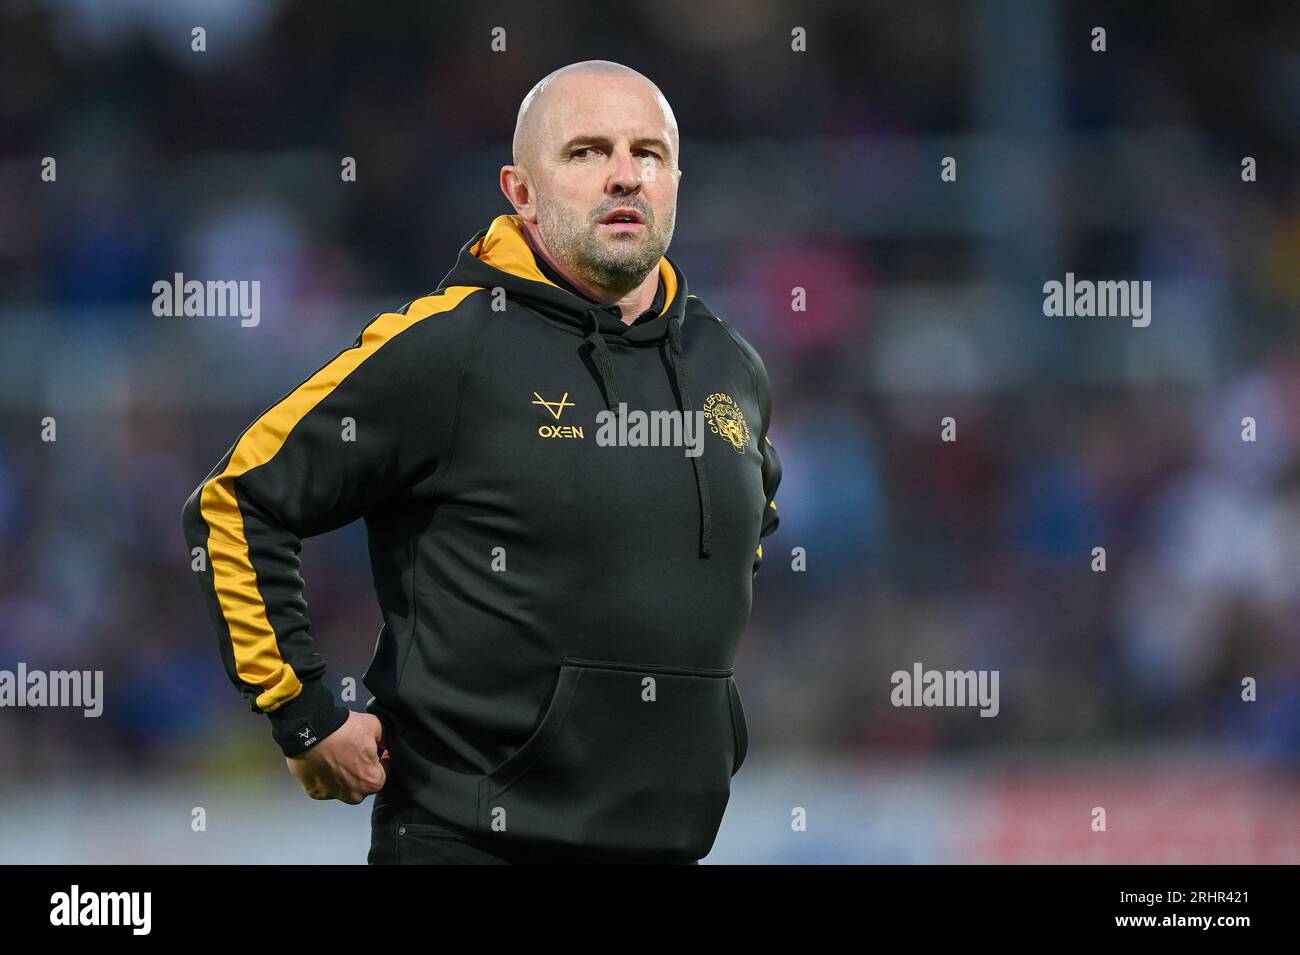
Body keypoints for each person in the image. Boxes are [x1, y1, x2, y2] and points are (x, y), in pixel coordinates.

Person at [181, 59, 782, 865]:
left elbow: (748, 536)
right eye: (586, 152)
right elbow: (237, 500)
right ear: (520, 190)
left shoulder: (729, 365)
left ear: (676, 178)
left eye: (647, 153)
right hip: (470, 843)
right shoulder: (449, 346)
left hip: (670, 848)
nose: (624, 176)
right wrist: (304, 710)